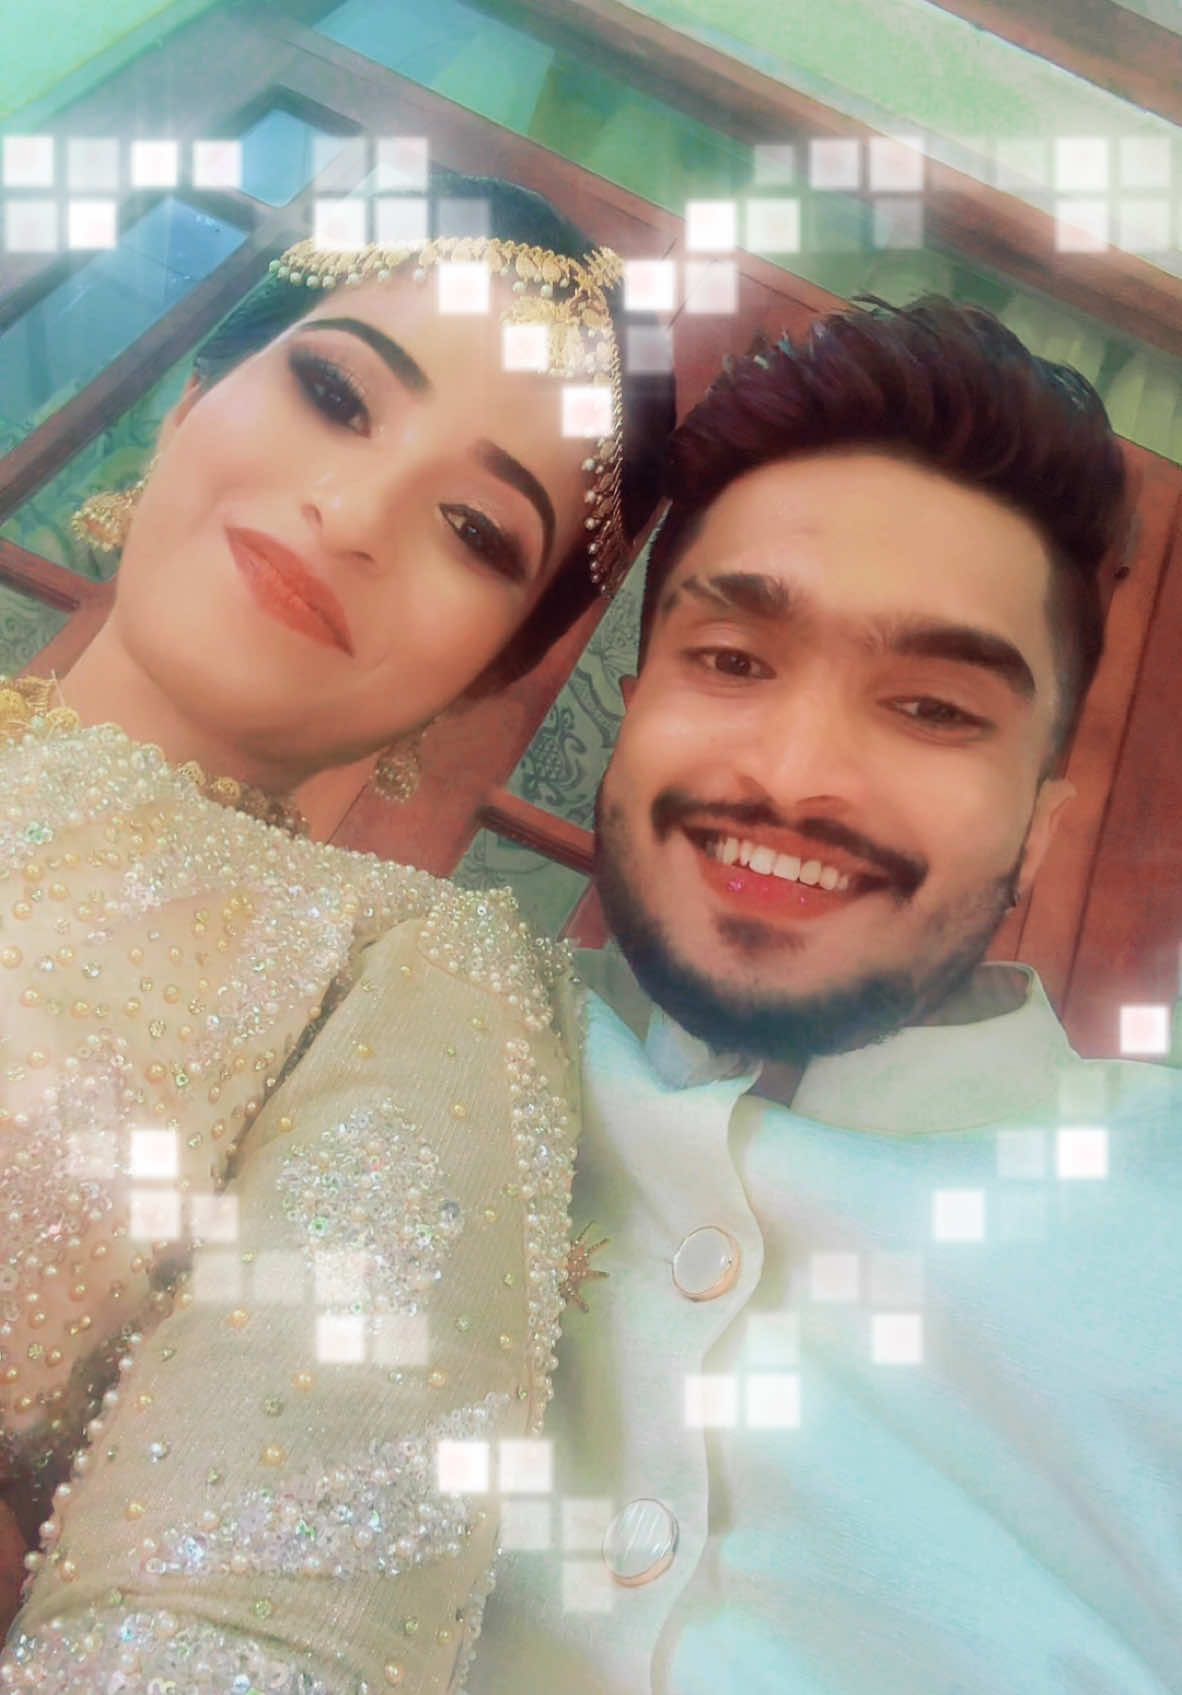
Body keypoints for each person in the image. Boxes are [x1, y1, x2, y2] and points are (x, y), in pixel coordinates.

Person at [0, 175, 671, 1689]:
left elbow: (254, 1635)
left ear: (480, 672)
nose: (355, 517)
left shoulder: (410, 978)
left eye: (473, 529)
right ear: (189, 396)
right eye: (334, 395)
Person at [470, 300, 1182, 1693]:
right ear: (631, 712)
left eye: (934, 709)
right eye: (732, 662)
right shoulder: (418, 1025)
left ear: (1039, 825)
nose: (795, 777)